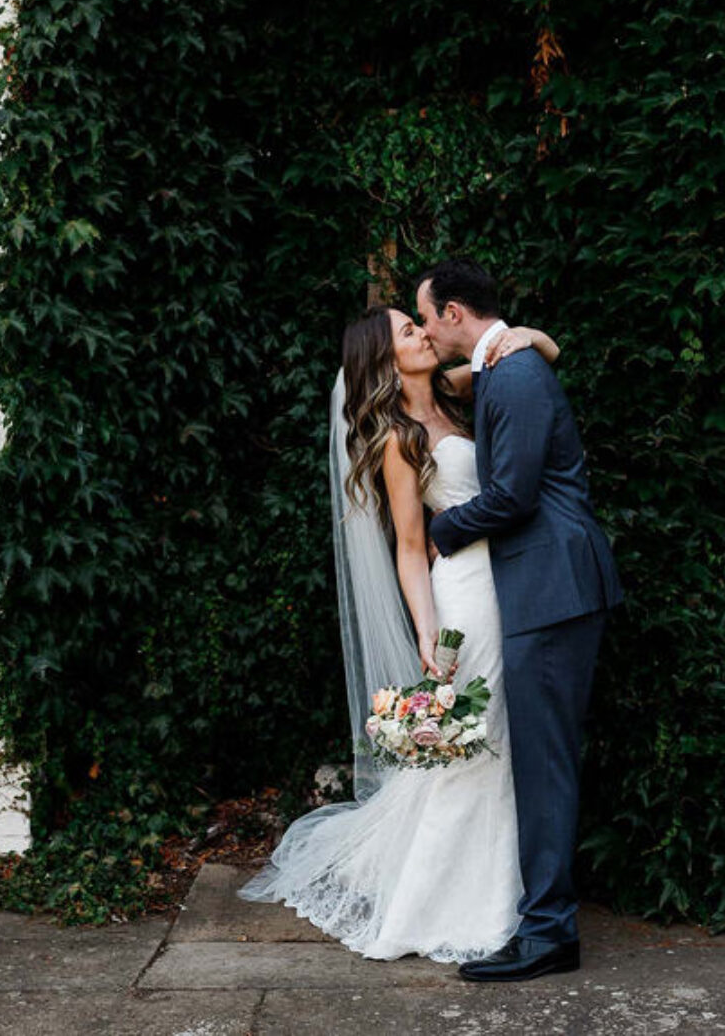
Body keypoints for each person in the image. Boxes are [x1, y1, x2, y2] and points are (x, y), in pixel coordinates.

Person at [235, 301, 558, 964]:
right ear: (386, 360)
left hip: (512, 582)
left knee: (499, 739)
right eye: (409, 331)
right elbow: (411, 548)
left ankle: (503, 893)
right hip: (465, 598)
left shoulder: (460, 390)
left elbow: (546, 355)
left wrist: (525, 335)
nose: (424, 332)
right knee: (474, 746)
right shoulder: (397, 437)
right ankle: (435, 905)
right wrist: (428, 635)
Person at [417, 258, 624, 983]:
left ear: (454, 312)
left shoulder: (517, 375)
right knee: (540, 761)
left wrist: (440, 529)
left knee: (545, 763)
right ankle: (545, 923)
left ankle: (548, 934)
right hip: (544, 587)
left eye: (427, 316)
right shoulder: (505, 368)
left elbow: (512, 496)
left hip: (552, 587)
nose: (425, 332)